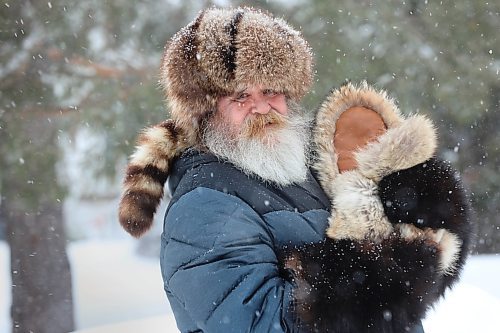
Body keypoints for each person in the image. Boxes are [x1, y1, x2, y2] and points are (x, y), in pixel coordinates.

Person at [118, 7, 472, 333]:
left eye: (271, 90)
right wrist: (387, 272)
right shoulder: (205, 205)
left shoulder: (303, 167)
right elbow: (265, 322)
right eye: (240, 96)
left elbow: (422, 280)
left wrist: (426, 202)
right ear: (206, 112)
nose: (261, 107)